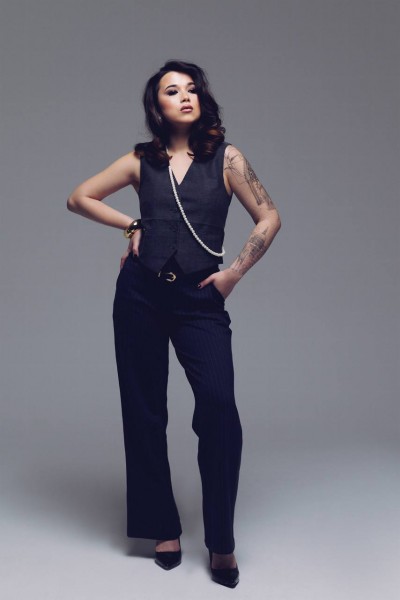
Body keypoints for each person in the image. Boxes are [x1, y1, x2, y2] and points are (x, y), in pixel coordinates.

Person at [67, 59, 281, 588]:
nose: (185, 96)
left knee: (219, 408)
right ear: (156, 106)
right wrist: (132, 225)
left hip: (200, 299)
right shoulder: (141, 160)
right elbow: (79, 198)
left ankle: (221, 539)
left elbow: (269, 216)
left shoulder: (228, 158)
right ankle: (161, 527)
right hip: (139, 295)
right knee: (144, 410)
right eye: (171, 90)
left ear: (202, 100)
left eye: (191, 89)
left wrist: (233, 274)